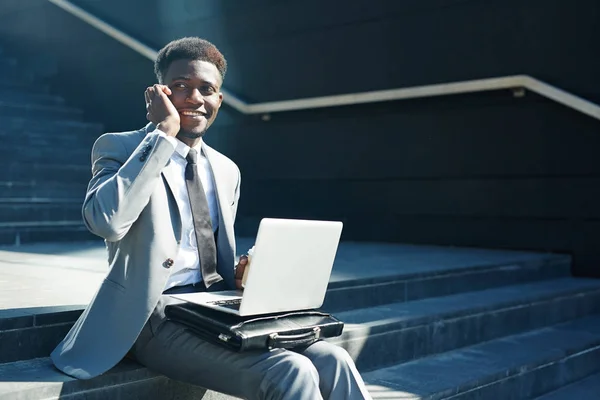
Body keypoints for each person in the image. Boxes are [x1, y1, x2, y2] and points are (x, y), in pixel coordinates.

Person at [50, 37, 371, 400]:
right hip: (153, 318)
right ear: (158, 94)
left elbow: (203, 248)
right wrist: (163, 135)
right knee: (290, 370)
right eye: (181, 87)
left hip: (215, 308)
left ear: (219, 99)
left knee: (333, 358)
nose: (194, 98)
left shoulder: (226, 169)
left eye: (207, 89)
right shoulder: (119, 147)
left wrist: (241, 271)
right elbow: (106, 221)